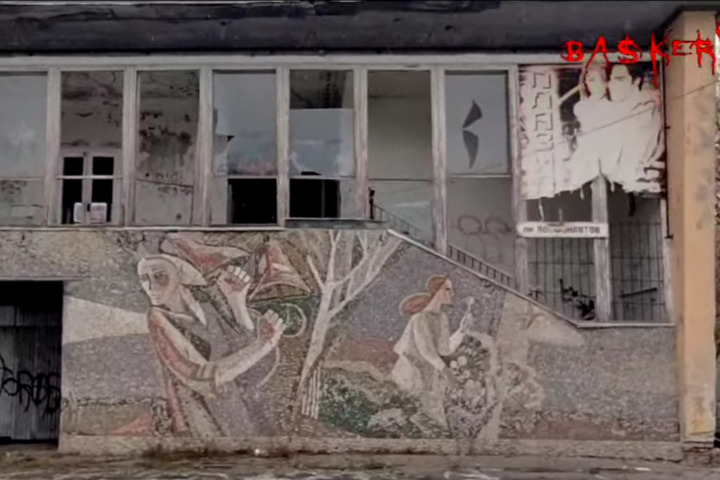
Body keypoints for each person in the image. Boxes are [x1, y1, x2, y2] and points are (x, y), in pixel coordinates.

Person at [137, 254, 284, 437]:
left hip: (243, 405)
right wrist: (262, 345)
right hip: (208, 418)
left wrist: (237, 302)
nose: (150, 287)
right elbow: (201, 379)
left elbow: (248, 361)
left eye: (159, 276)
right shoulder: (158, 318)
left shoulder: (207, 305)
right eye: (144, 279)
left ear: (179, 274)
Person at [390, 275, 473, 428]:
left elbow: (444, 351)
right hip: (411, 372)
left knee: (434, 421)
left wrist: (462, 331)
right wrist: (447, 373)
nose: (452, 294)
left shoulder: (442, 318)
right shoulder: (419, 319)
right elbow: (426, 351)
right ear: (436, 291)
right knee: (410, 416)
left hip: (429, 374)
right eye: (447, 289)